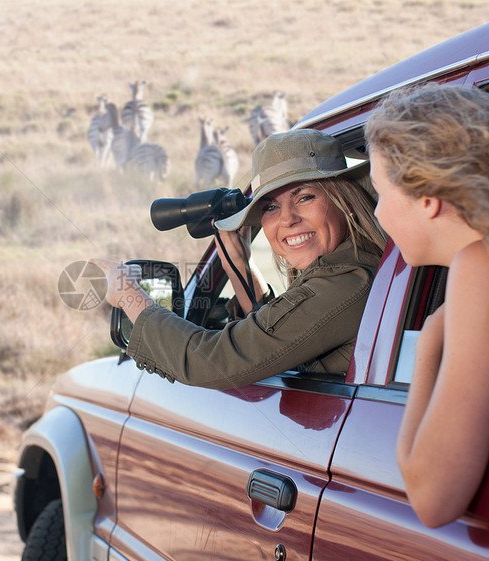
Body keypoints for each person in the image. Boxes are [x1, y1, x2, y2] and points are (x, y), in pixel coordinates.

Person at [364, 83, 489, 528]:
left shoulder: (486, 264)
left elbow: (432, 498)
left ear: (428, 200)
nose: (377, 214)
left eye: (379, 192)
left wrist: (431, 345)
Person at [92, 129, 387, 389]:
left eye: (305, 197)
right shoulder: (351, 272)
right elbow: (278, 340)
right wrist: (240, 266)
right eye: (270, 207)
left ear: (344, 201)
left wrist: (128, 295)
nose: (288, 219)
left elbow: (213, 361)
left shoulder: (347, 281)